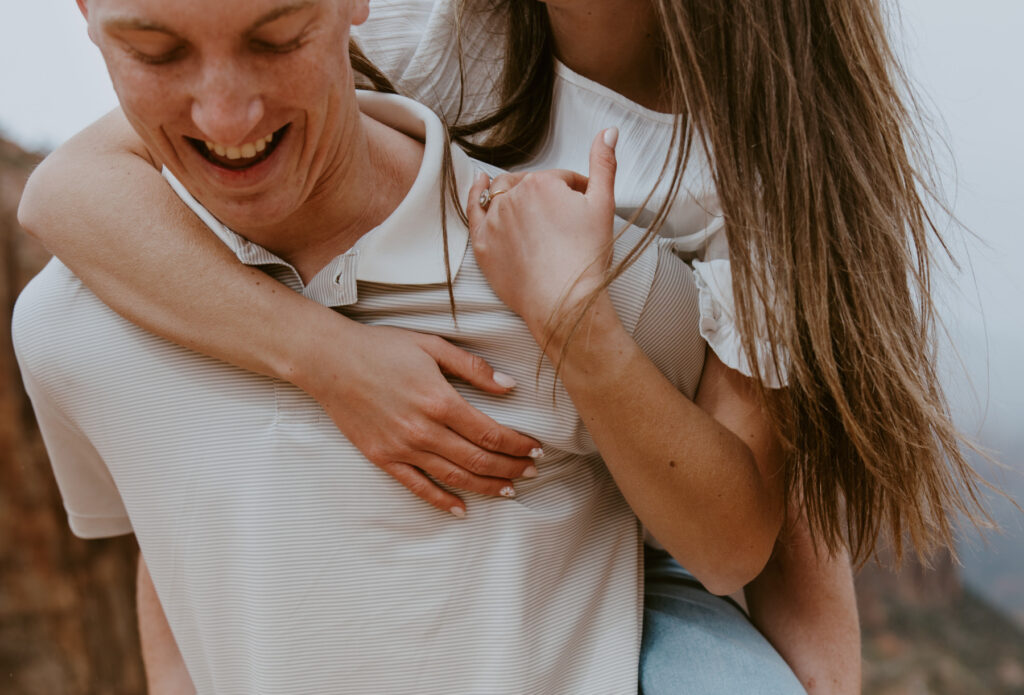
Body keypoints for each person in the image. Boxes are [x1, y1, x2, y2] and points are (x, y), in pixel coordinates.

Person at [16, 0, 986, 691]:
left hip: (665, 537)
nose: (222, 105)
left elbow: (749, 530)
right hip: (493, 481)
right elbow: (69, 190)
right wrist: (327, 357)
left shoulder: (766, 165)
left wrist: (569, 320)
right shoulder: (424, 23)